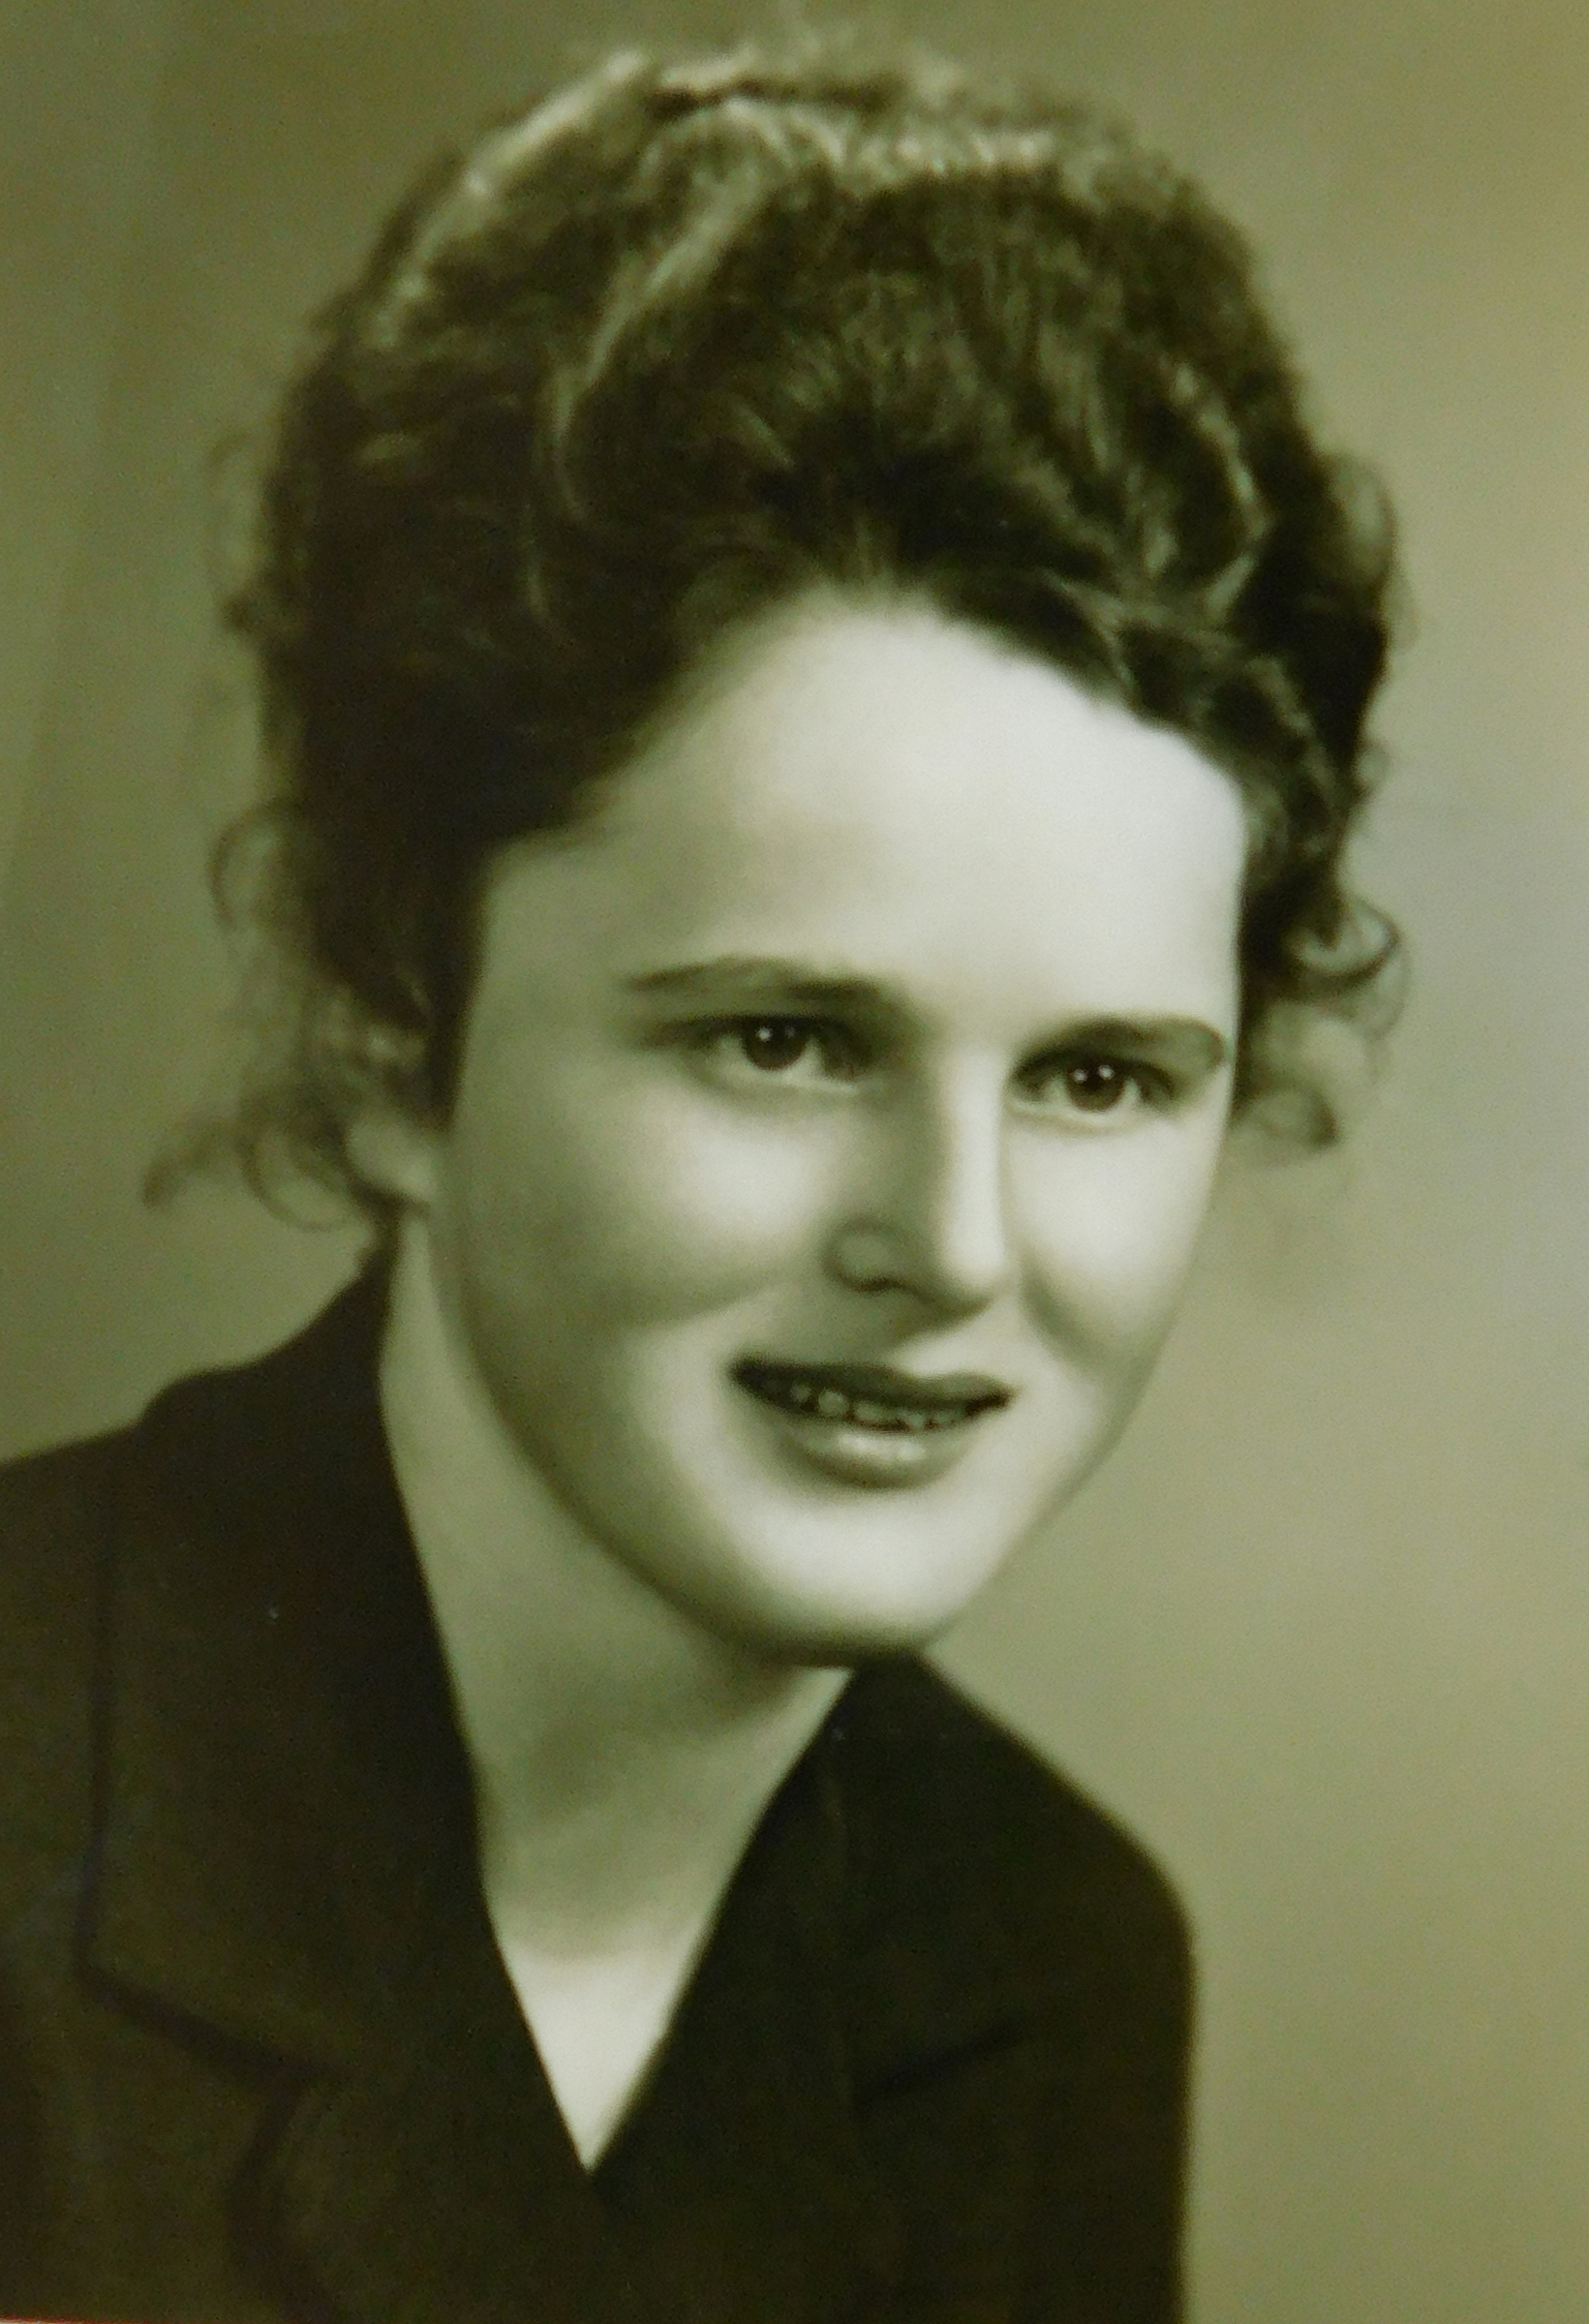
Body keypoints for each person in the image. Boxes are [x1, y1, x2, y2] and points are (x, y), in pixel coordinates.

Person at [0, 42, 1398, 2324]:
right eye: (784, 1039)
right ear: (388, 1028)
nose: (950, 1245)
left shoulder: (1043, 1972)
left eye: (1094, 1079)